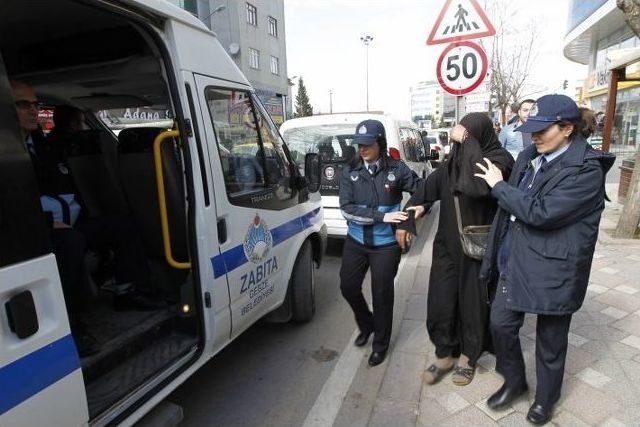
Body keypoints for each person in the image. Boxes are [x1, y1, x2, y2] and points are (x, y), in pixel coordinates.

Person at [475, 94, 615, 425]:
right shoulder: (531, 153)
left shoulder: (586, 170)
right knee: (501, 324)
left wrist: (499, 187)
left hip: (556, 268)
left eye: (542, 130)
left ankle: (544, 400)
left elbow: (540, 213)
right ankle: (515, 381)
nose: (533, 137)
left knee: (550, 342)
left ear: (567, 129)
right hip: (516, 258)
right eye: (530, 129)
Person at [402, 113, 514, 386]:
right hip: (446, 247)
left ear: (479, 137)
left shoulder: (499, 161)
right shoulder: (451, 165)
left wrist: (467, 139)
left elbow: (477, 185)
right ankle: (444, 353)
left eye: (468, 137)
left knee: (472, 305)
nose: (461, 143)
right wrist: (411, 214)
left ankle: (468, 356)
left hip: (478, 248)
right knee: (441, 301)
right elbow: (424, 192)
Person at [339, 119, 421, 366]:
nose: (362, 150)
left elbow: (422, 190)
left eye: (368, 145)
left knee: (382, 295)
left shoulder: (396, 169)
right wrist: (381, 216)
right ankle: (367, 324)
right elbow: (347, 209)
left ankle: (380, 345)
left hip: (386, 245)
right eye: (359, 145)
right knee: (348, 287)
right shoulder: (350, 171)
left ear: (380, 143)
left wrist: (407, 221)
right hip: (356, 242)